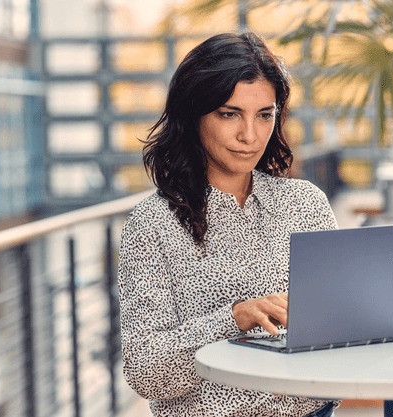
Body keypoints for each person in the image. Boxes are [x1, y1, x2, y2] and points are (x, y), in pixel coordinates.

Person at [117, 31, 339, 417]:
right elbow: (144, 372)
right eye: (229, 114)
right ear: (193, 115)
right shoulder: (151, 225)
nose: (249, 136)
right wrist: (233, 319)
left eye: (264, 115)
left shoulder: (306, 204)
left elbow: (336, 324)